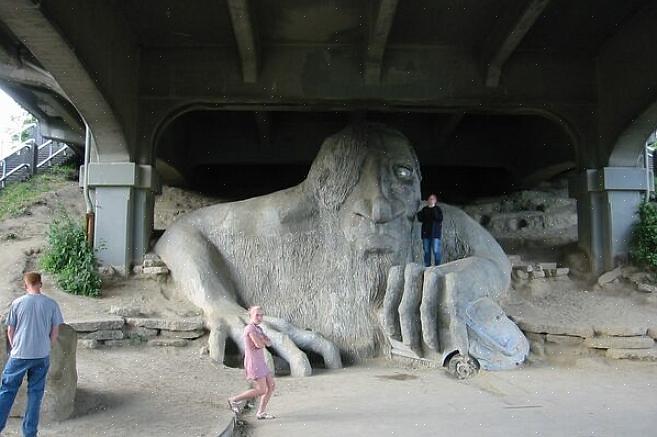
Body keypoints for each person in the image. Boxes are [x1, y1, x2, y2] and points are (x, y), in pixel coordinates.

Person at [0, 272, 64, 437]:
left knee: (7, 390)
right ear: (40, 284)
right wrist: (46, 346)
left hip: (20, 353)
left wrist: (16, 346)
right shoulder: (52, 304)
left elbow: (10, 330)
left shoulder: (17, 303)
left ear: (25, 285)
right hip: (41, 355)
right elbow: (55, 331)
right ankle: (29, 433)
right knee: (35, 393)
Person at [227, 306, 276, 420]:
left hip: (261, 362)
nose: (260, 317)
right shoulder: (250, 329)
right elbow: (260, 344)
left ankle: (261, 412)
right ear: (251, 316)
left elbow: (269, 343)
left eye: (261, 315)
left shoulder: (259, 329)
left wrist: (263, 341)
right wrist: (263, 341)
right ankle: (233, 399)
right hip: (254, 363)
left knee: (271, 386)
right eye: (257, 315)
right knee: (261, 390)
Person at [417, 194, 443, 267]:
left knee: (436, 251)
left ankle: (438, 266)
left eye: (432, 199)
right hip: (426, 234)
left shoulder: (438, 209)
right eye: (430, 199)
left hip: (435, 234)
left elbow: (439, 218)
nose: (431, 200)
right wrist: (419, 211)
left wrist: (433, 208)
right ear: (428, 200)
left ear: (435, 200)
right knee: (426, 251)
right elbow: (420, 219)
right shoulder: (424, 209)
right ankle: (427, 266)